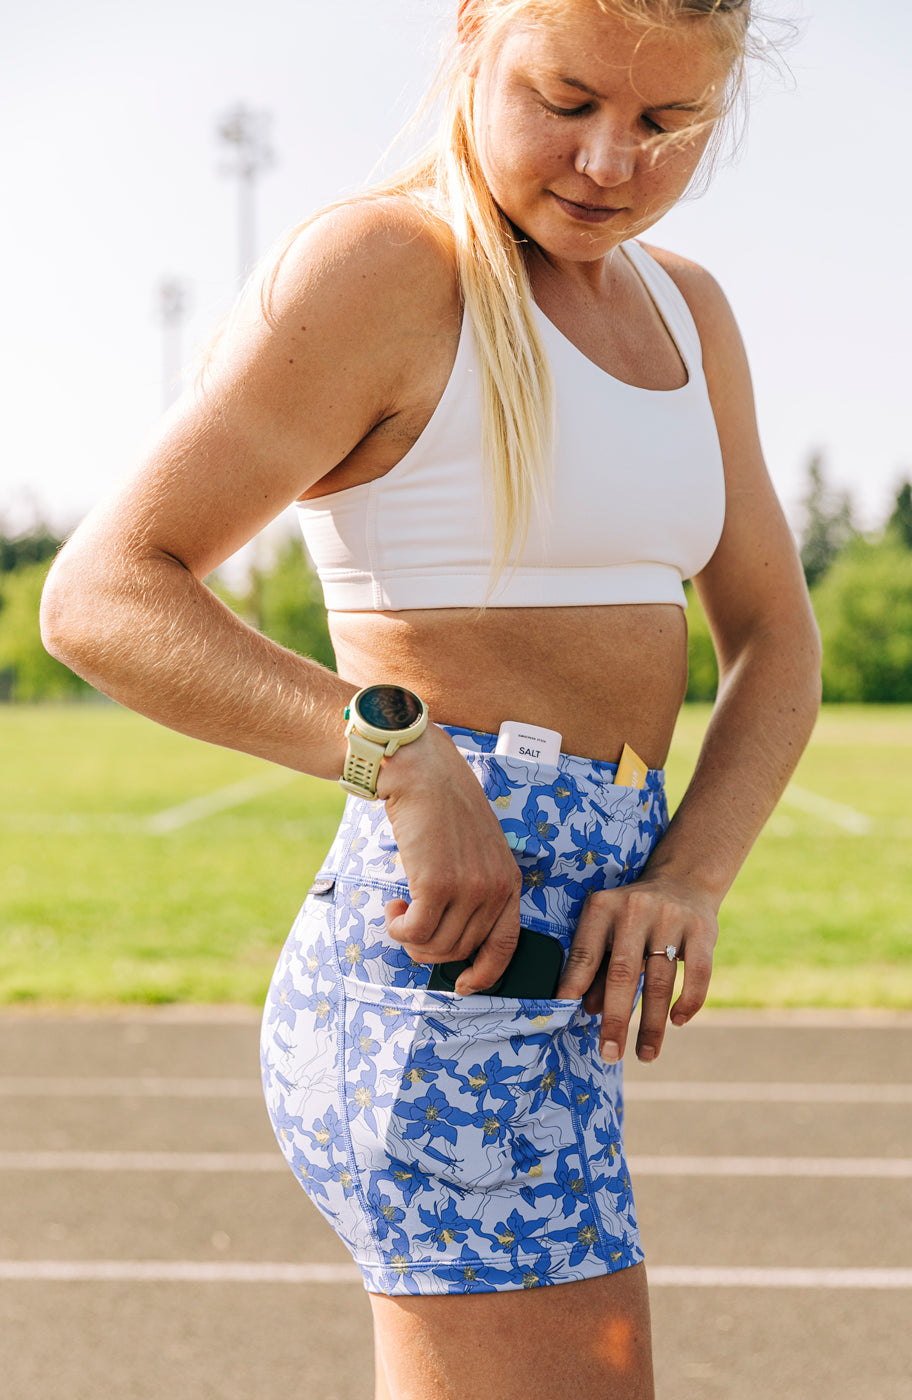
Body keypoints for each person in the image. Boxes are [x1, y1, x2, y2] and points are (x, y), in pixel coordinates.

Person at [41, 0, 821, 1394]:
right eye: (567, 101)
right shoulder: (391, 268)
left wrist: (691, 874)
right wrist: (398, 759)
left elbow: (776, 640)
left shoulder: (688, 312)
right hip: (440, 975)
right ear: (474, 35)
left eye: (667, 121)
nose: (610, 162)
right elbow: (101, 595)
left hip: (558, 976)